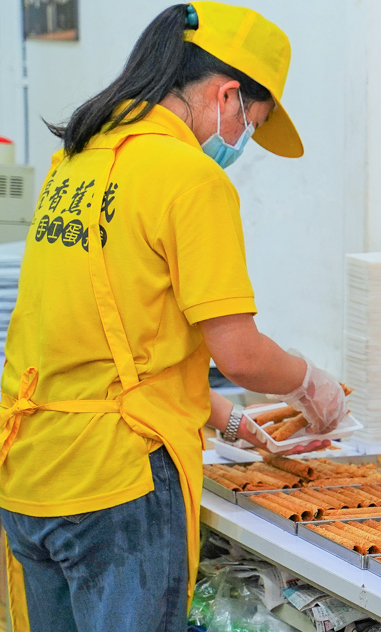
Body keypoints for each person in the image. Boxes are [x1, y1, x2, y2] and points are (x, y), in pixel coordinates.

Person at [0, 3, 347, 630]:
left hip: (31, 472)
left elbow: (96, 340)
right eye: (252, 123)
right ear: (228, 94)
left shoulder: (79, 159)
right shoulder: (189, 178)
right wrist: (310, 382)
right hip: (116, 486)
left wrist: (230, 418)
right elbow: (239, 355)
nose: (242, 142)